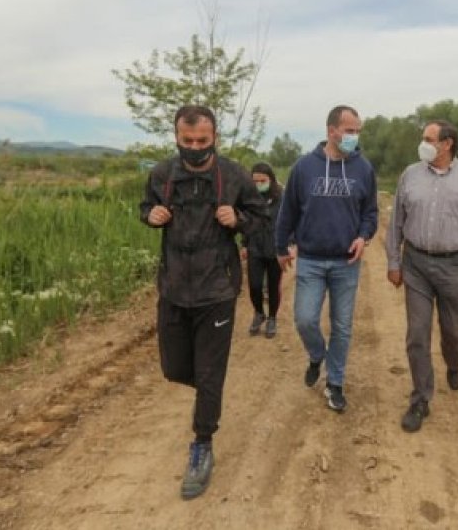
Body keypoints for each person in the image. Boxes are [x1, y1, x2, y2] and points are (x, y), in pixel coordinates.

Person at [140, 105, 268, 500]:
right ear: (176, 136)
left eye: (203, 141)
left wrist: (239, 221)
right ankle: (207, 391)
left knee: (209, 374)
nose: (195, 147)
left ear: (215, 137)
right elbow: (144, 209)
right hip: (175, 287)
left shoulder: (233, 175)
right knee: (176, 368)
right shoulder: (162, 174)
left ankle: (202, 444)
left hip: (217, 289)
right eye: (187, 140)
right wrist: (152, 216)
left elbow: (261, 217)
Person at [386, 120, 458, 432]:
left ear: (447, 143)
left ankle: (454, 361)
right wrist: (393, 261)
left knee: (455, 331)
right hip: (416, 264)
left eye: (428, 138)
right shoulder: (410, 175)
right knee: (417, 333)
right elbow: (396, 221)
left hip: (454, 264)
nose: (422, 143)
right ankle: (420, 399)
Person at [275, 105, 378, 413]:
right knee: (305, 319)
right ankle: (317, 354)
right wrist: (281, 247)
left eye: (358, 131)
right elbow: (288, 211)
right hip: (311, 259)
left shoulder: (364, 168)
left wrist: (364, 235)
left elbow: (370, 212)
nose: (354, 136)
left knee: (342, 326)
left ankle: (334, 383)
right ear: (331, 130)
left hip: (347, 262)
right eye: (350, 130)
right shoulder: (304, 167)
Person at [240, 162, 284, 338]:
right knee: (255, 285)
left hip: (275, 248)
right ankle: (259, 313)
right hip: (255, 247)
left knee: (273, 286)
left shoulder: (282, 197)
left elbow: (289, 220)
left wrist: (289, 243)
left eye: (262, 180)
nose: (259, 184)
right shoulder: (249, 198)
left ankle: (272, 318)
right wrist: (244, 244)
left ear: (271, 179)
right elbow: (245, 221)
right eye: (255, 181)